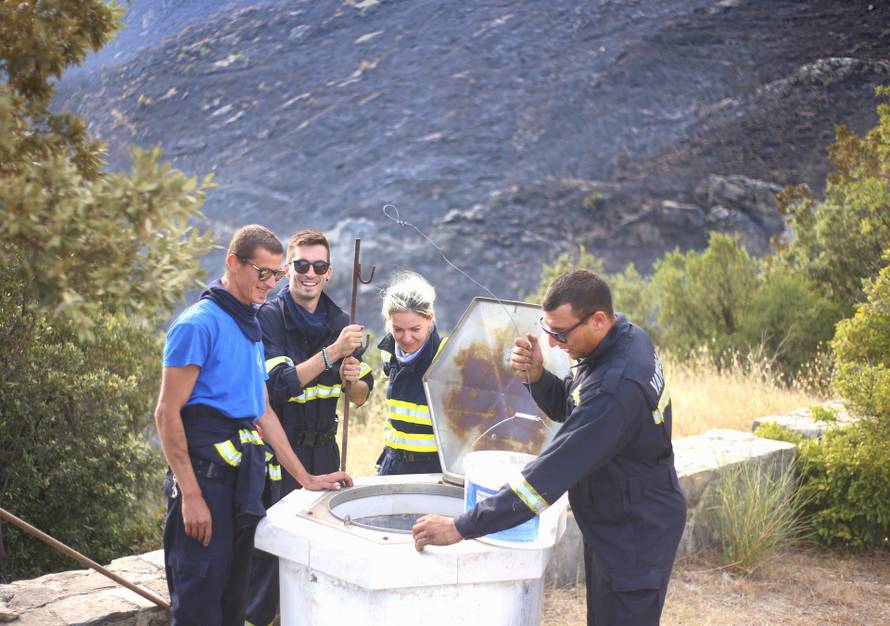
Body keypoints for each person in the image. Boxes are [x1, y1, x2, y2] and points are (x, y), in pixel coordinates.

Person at [412, 270, 686, 626]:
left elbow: (543, 482)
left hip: (635, 531)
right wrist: (538, 378)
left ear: (598, 319)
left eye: (561, 333)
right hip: (620, 515)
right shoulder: (624, 339)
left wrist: (461, 527)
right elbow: (576, 407)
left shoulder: (616, 389)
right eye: (548, 329)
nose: (554, 343)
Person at [154, 225, 352, 626]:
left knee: (233, 606)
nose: (270, 282)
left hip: (242, 488)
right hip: (204, 484)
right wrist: (191, 495)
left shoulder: (250, 328)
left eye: (276, 274)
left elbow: (262, 411)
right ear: (233, 263)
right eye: (262, 272)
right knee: (198, 609)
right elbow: (166, 413)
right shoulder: (198, 324)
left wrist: (306, 476)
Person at [245, 229, 373, 626]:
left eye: (318, 266)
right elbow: (278, 387)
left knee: (321, 550)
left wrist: (352, 378)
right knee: (268, 555)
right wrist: (332, 353)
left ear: (330, 271)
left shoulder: (342, 321)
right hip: (278, 456)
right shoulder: (266, 319)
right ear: (288, 269)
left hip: (325, 451)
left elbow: (362, 395)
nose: (309, 273)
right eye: (301, 265)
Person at [376, 271, 445, 475]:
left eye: (415, 329)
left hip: (431, 471)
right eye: (398, 330)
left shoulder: (447, 358)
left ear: (430, 319)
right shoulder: (388, 354)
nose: (407, 338)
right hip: (391, 465)